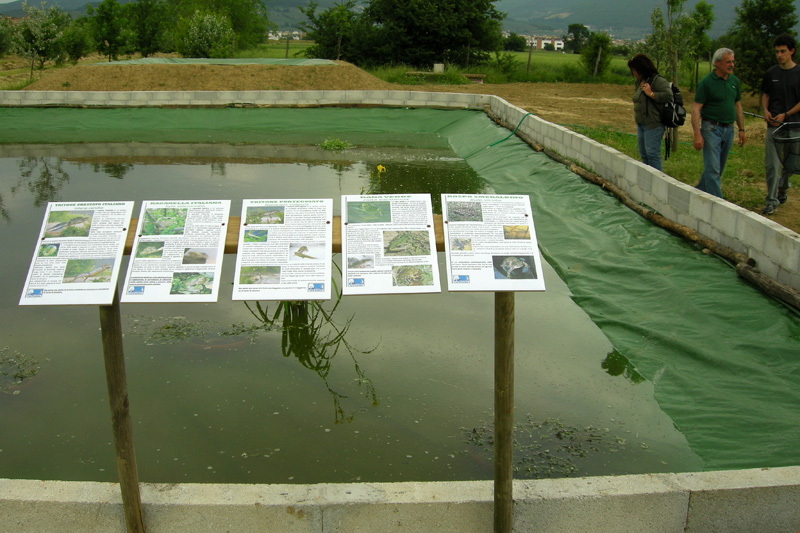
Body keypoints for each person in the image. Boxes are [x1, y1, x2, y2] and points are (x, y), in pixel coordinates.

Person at [691, 48, 746, 198]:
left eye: (733, 61)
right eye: (728, 62)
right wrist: (697, 134)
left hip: (728, 130)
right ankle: (718, 204)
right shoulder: (706, 83)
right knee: (713, 169)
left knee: (718, 168)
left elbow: (738, 105)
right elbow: (696, 109)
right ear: (717, 63)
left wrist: (741, 129)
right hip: (711, 129)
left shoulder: (734, 81)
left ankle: (696, 193)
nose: (732, 65)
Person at [760, 33, 800, 216]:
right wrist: (766, 111)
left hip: (794, 125)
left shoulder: (798, 73)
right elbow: (765, 94)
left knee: (789, 165)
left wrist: (787, 114)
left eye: (783, 51)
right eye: (777, 52)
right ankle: (771, 200)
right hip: (773, 125)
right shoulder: (771, 73)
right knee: (771, 164)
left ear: (791, 51)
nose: (779, 55)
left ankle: (783, 188)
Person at [627, 54, 674, 171]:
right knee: (644, 154)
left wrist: (652, 94)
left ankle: (657, 180)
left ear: (641, 69)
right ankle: (647, 179)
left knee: (652, 154)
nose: (633, 73)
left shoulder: (657, 80)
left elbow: (669, 95)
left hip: (653, 124)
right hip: (641, 124)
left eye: (634, 70)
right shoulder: (639, 82)